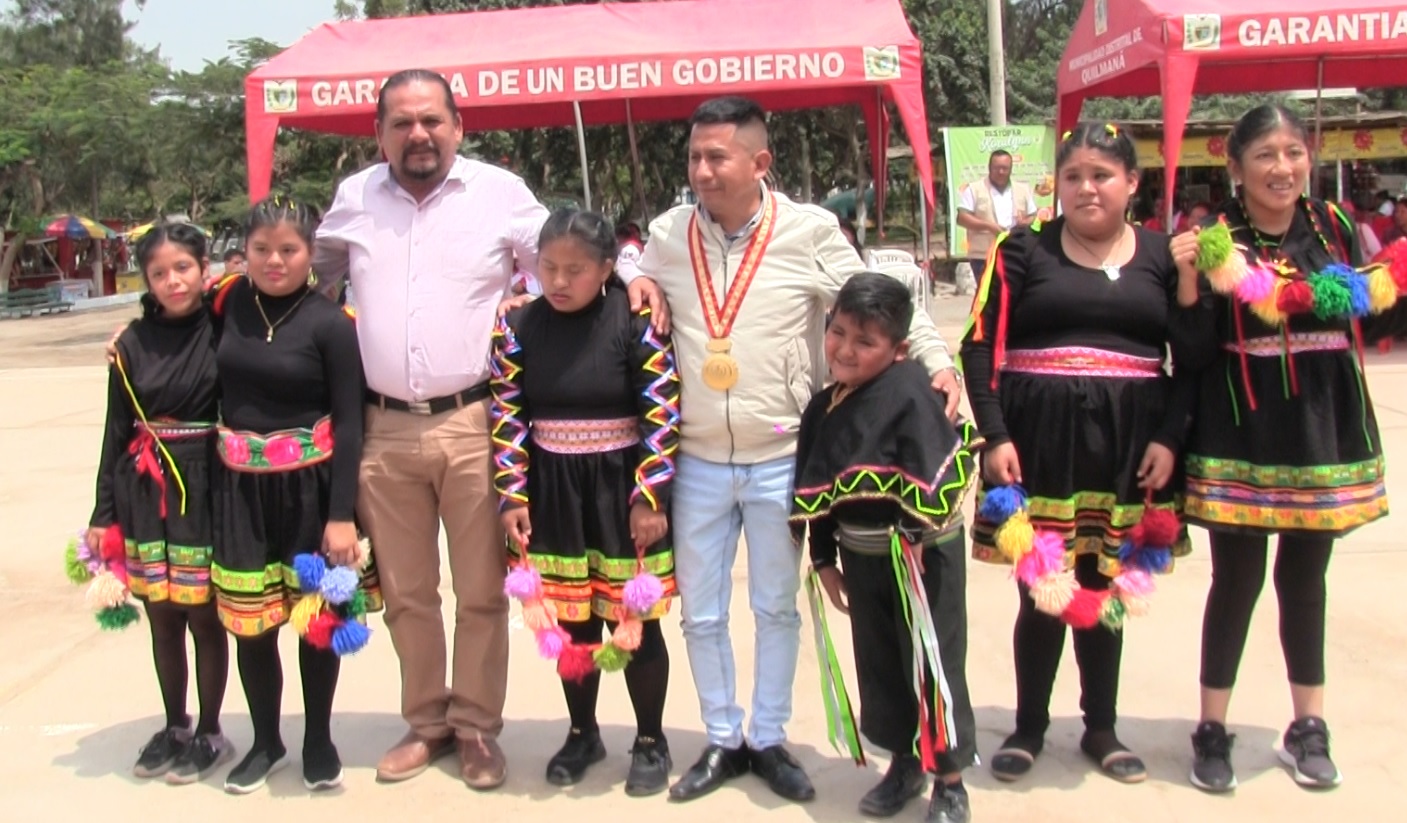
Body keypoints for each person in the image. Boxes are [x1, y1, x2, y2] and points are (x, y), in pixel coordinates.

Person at [312, 68, 669, 790]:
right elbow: (300, 271)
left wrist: (632, 269)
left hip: (474, 420)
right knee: (410, 593)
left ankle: (475, 726)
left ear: (458, 126)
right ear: (378, 132)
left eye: (432, 120)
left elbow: (570, 244)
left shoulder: (498, 194)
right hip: (384, 430)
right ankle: (426, 723)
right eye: (402, 122)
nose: (418, 134)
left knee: (480, 590)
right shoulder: (354, 199)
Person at [622, 95, 962, 805]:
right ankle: (721, 736)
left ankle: (768, 735)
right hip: (699, 459)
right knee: (703, 612)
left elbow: (886, 298)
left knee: (776, 606)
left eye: (717, 156)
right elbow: (633, 276)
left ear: (760, 162)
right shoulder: (666, 231)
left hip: (783, 454)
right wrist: (638, 278)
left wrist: (936, 359)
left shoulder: (807, 231)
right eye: (694, 157)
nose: (703, 171)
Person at [1168, 104, 1407, 794]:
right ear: (1234, 167)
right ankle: (1211, 727)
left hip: (1319, 426)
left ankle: (1308, 725)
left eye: (1293, 153)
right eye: (1265, 155)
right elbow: (1188, 349)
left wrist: (1394, 272)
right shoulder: (1213, 240)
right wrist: (1188, 284)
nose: (1282, 168)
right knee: (1235, 582)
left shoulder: (1332, 227)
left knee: (1304, 581)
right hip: (1241, 427)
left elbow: (1375, 313)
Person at [961, 123, 1191, 786]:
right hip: (1037, 444)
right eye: (1072, 176)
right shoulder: (1021, 250)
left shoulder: (1159, 256)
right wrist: (994, 434)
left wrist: (1168, 438)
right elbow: (978, 346)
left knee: (1102, 582)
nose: (1086, 187)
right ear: (1055, 185)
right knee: (1041, 586)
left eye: (1100, 175)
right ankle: (1029, 726)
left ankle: (1100, 727)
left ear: (1131, 183)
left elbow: (1192, 359)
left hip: (1129, 446)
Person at [490, 209, 682, 796]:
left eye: (576, 269)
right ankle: (582, 732)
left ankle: (650, 739)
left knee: (636, 623)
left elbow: (664, 412)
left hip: (623, 490)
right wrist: (512, 494)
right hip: (552, 493)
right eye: (549, 267)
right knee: (572, 625)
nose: (560, 280)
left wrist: (650, 494)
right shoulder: (518, 326)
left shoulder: (636, 320)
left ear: (607, 268)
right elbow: (506, 414)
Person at [794, 273, 979, 823]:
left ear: (899, 350)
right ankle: (904, 762)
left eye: (865, 342)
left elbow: (933, 472)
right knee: (879, 662)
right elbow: (819, 488)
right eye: (838, 333)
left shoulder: (913, 393)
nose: (845, 350)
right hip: (862, 556)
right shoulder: (824, 407)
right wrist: (824, 559)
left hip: (922, 559)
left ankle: (949, 780)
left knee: (932, 661)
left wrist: (917, 537)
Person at [212, 197, 372, 794]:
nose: (274, 261)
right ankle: (265, 740)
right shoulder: (226, 304)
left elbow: (351, 424)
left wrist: (340, 517)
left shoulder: (331, 323)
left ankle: (318, 739)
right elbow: (170, 319)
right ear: (244, 252)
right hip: (240, 494)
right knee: (251, 627)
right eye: (261, 250)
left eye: (289, 251)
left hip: (312, 492)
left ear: (312, 254)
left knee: (314, 622)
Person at [88, 223, 231, 784]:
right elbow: (115, 429)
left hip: (206, 486)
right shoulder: (130, 345)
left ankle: (211, 731)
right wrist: (103, 514)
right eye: (159, 272)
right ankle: (175, 724)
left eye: (183, 268)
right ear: (146, 279)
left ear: (204, 270)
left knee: (203, 615)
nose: (173, 280)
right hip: (144, 488)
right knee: (162, 617)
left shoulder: (226, 328)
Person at [956, 150, 1036, 270]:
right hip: (983, 256)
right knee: (987, 289)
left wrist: (1025, 222)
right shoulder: (974, 189)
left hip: (1015, 253)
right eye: (996, 168)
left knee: (1012, 289)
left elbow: (1033, 216)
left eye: (1005, 168)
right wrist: (988, 226)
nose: (1001, 172)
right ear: (989, 168)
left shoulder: (1023, 190)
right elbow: (962, 218)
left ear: (1011, 168)